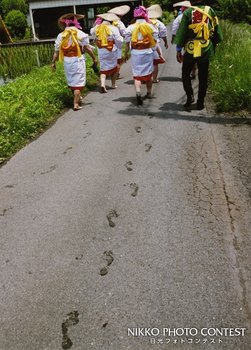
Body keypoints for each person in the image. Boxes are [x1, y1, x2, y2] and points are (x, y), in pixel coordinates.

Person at [174, 0, 223, 110]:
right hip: (205, 47)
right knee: (203, 76)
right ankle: (200, 102)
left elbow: (182, 32)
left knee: (185, 73)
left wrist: (178, 50)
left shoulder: (187, 12)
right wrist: (214, 43)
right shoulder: (210, 10)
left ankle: (190, 96)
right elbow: (217, 30)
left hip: (191, 47)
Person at [51, 13, 97, 111]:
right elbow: (88, 48)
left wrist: (53, 62)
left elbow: (56, 51)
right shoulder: (80, 34)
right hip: (78, 60)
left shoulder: (61, 35)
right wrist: (94, 58)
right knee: (79, 83)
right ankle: (76, 104)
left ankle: (77, 98)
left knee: (72, 81)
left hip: (67, 61)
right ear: (75, 22)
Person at [124, 6, 164, 106]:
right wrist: (160, 54)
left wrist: (125, 54)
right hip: (147, 53)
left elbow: (127, 44)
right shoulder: (150, 26)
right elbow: (155, 43)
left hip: (136, 53)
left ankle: (138, 92)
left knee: (137, 75)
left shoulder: (130, 27)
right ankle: (149, 93)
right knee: (148, 74)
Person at [92, 12, 123, 93]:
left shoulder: (96, 28)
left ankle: (102, 84)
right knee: (115, 67)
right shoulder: (113, 28)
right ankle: (113, 85)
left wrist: (96, 24)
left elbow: (92, 33)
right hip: (111, 50)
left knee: (103, 69)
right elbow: (119, 40)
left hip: (101, 51)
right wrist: (119, 47)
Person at [171, 1, 196, 80]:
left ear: (183, 8)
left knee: (187, 56)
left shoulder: (180, 17)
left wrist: (173, 39)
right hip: (197, 39)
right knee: (195, 56)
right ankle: (193, 72)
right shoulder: (196, 15)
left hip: (185, 40)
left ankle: (187, 73)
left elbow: (175, 30)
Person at [147, 4, 168, 83]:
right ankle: (154, 79)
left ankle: (145, 79)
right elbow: (163, 32)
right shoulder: (158, 23)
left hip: (144, 45)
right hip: (155, 45)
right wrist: (165, 42)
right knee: (155, 63)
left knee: (146, 63)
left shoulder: (144, 22)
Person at [108, 5, 130, 78]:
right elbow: (124, 33)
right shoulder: (119, 23)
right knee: (118, 60)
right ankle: (116, 74)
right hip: (117, 43)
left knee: (111, 60)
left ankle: (112, 73)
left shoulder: (108, 22)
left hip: (108, 44)